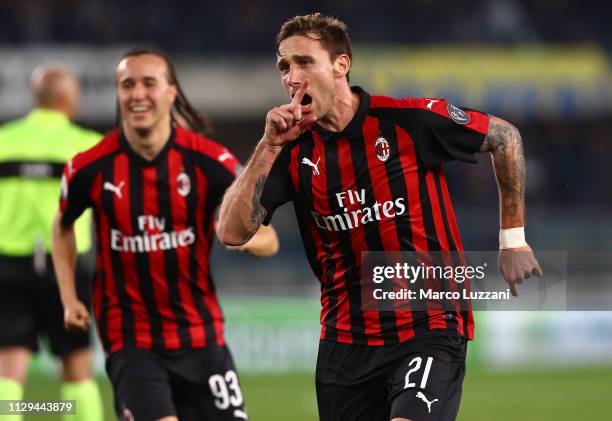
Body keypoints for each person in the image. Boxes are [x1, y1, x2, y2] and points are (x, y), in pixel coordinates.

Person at [217, 13, 543, 421]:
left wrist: (513, 238)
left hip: (429, 323)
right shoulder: (290, 152)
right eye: (285, 66)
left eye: (304, 62)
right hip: (345, 338)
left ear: (341, 64)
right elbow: (231, 232)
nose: (292, 77)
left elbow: (504, 137)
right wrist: (266, 147)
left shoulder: (407, 120)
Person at [52, 48, 278, 421]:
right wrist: (68, 297)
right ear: (118, 93)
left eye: (148, 83)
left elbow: (266, 235)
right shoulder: (89, 168)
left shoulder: (210, 161)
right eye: (127, 85)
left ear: (172, 92)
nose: (137, 93)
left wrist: (248, 239)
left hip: (201, 336)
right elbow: (62, 227)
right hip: (130, 340)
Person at [0, 65, 103, 421]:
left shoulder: (4, 141)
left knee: (9, 367)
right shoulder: (88, 146)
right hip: (69, 268)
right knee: (77, 367)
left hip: (9, 264)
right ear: (66, 98)